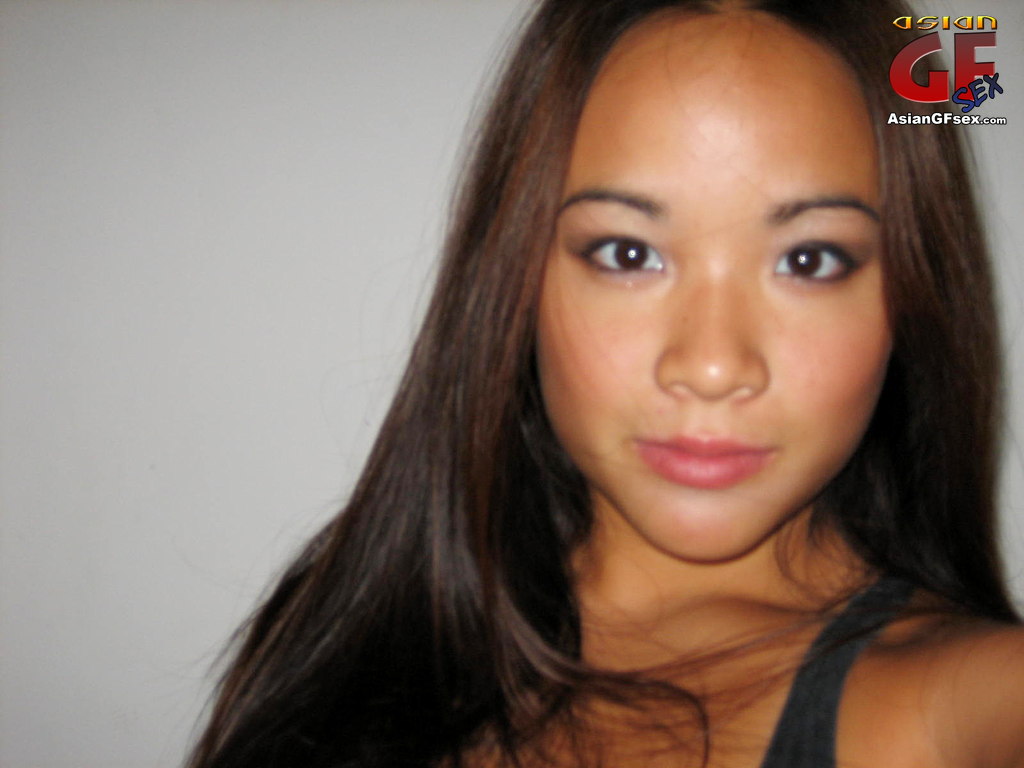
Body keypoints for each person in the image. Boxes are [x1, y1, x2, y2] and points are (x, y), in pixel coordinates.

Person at [187, 0, 1024, 766]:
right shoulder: (346, 632)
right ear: (515, 278)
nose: (711, 365)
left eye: (809, 260)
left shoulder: (965, 701)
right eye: (629, 254)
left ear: (914, 297)